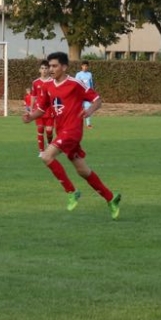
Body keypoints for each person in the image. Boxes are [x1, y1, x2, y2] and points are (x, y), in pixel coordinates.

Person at [22, 51, 121, 220]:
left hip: (73, 130)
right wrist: (30, 117)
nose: (51, 69)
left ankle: (71, 192)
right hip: (62, 131)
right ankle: (111, 198)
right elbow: (41, 109)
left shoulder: (75, 84)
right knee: (83, 170)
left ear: (64, 67)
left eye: (54, 66)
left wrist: (89, 110)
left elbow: (97, 99)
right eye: (49, 66)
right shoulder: (47, 86)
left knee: (46, 156)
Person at [29, 60, 55, 153]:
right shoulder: (35, 82)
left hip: (50, 110)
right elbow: (33, 96)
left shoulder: (53, 81)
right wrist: (31, 109)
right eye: (42, 68)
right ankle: (41, 151)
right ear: (39, 70)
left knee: (49, 131)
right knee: (40, 128)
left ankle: (49, 143)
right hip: (39, 110)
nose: (44, 70)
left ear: (49, 70)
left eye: (46, 68)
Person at [75, 60, 95, 128]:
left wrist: (92, 93)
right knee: (79, 109)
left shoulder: (89, 74)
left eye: (86, 66)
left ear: (88, 67)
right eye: (83, 66)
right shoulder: (78, 74)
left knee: (88, 108)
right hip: (80, 94)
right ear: (81, 66)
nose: (85, 67)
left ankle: (88, 124)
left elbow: (91, 85)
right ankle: (78, 123)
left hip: (87, 94)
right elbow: (76, 84)